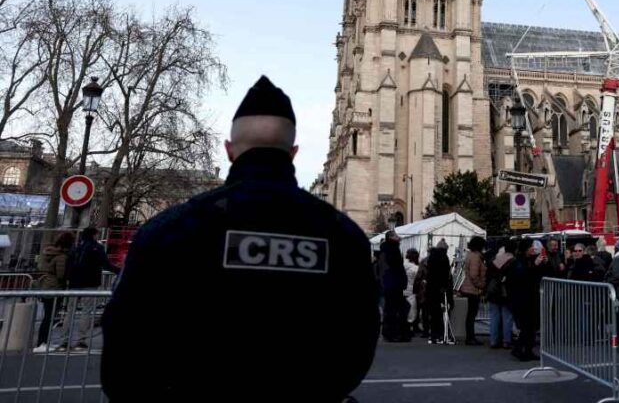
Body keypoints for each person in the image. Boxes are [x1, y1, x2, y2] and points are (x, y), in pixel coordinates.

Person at [101, 76, 379, 403]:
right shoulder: (343, 237)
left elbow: (123, 355)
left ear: (229, 150)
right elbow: (358, 346)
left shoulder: (170, 231)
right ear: (293, 152)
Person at [56, 226, 120, 351]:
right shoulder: (97, 248)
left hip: (74, 283)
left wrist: (67, 280)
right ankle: (81, 340)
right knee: (86, 311)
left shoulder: (75, 249)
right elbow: (106, 264)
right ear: (94, 235)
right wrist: (120, 270)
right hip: (90, 282)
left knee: (70, 312)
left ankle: (63, 341)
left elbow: (68, 266)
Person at [33, 231, 74, 353]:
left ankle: (42, 342)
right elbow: (61, 274)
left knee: (48, 317)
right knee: (49, 317)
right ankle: (42, 343)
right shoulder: (62, 257)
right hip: (55, 287)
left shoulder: (50, 253)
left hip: (47, 286)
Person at [510, 239, 551, 361]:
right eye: (531, 247)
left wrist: (542, 263)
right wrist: (535, 265)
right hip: (523, 299)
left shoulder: (530, 260)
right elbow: (522, 277)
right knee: (526, 327)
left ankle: (528, 350)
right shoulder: (518, 262)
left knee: (531, 327)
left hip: (532, 297)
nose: (533, 249)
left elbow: (539, 274)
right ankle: (519, 349)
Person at [486, 240, 516, 350]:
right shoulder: (513, 261)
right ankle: (506, 341)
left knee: (494, 317)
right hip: (506, 292)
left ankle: (494, 340)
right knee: (507, 317)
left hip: (494, 291)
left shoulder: (494, 260)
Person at [458, 235, 487, 345]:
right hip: (472, 289)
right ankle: (470, 337)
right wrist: (481, 285)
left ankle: (470, 337)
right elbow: (474, 274)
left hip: (467, 287)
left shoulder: (470, 255)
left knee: (470, 314)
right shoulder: (476, 257)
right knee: (471, 314)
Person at [380, 237, 410, 342]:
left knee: (390, 309)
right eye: (396, 236)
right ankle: (395, 333)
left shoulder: (385, 251)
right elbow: (398, 268)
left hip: (389, 285)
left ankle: (390, 333)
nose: (399, 238)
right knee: (396, 309)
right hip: (394, 285)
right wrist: (402, 281)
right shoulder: (393, 250)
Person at [424, 239, 454, 344]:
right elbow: (445, 275)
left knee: (433, 314)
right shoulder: (443, 258)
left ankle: (434, 335)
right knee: (443, 313)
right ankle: (443, 334)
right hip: (441, 289)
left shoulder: (430, 258)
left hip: (431, 289)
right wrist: (445, 287)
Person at [404, 248, 421, 336]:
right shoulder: (416, 268)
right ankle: (411, 328)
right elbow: (418, 280)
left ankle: (405, 328)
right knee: (412, 310)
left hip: (403, 290)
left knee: (404, 310)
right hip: (412, 291)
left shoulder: (403, 265)